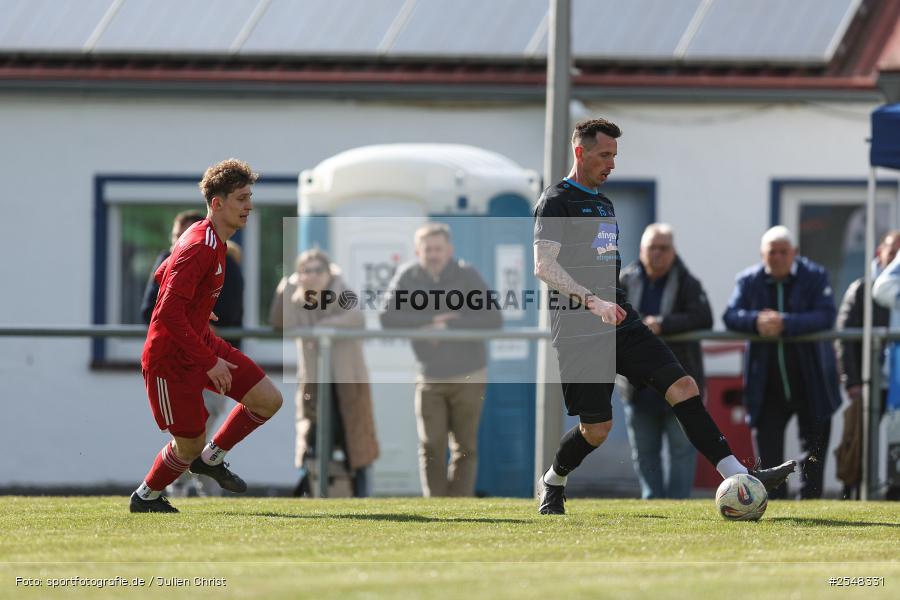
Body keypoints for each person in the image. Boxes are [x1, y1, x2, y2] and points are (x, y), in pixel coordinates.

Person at [534, 118, 795, 515]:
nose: (612, 164)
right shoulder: (555, 201)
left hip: (622, 320)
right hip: (579, 330)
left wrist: (611, 303)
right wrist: (592, 301)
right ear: (580, 152)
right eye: (605, 155)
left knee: (684, 385)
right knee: (597, 430)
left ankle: (741, 477)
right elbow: (543, 266)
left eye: (615, 156)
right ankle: (553, 481)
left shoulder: (605, 203)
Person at [130, 158, 283, 513]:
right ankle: (146, 496)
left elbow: (161, 276)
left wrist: (199, 305)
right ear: (218, 203)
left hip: (199, 341)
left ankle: (211, 460)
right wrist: (209, 360)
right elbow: (166, 312)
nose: (250, 206)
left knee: (268, 400)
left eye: (250, 197)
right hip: (170, 361)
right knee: (188, 445)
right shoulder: (201, 244)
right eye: (242, 198)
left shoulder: (211, 239)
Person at [380, 223, 502, 497]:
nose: (433, 254)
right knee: (431, 445)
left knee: (465, 446)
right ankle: (435, 505)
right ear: (418, 251)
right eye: (428, 249)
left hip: (469, 374)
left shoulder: (467, 275)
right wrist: (431, 321)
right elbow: (387, 318)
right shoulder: (408, 276)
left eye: (438, 249)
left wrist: (450, 327)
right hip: (429, 375)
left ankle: (460, 505)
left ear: (449, 250)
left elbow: (493, 318)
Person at [723, 226, 841, 499]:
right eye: (771, 252)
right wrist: (756, 321)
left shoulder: (815, 276)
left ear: (795, 253)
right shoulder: (748, 280)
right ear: (762, 254)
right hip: (766, 384)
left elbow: (825, 316)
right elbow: (731, 315)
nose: (777, 257)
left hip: (811, 380)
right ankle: (773, 505)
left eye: (782, 252)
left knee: (814, 453)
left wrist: (785, 323)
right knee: (769, 457)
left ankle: (810, 507)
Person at [139, 212, 246, 498]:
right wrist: (191, 316)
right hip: (178, 360)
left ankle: (207, 489)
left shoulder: (221, 255)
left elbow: (230, 313)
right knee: (189, 438)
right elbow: (154, 310)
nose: (179, 241)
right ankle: (165, 489)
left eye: (183, 235)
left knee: (203, 429)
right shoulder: (176, 256)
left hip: (212, 355)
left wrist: (198, 321)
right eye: (176, 236)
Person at [269, 248, 379, 498]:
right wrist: (287, 284)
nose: (313, 276)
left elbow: (356, 317)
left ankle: (362, 498)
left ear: (329, 273)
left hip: (347, 383)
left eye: (319, 270)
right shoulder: (296, 297)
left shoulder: (342, 291)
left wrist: (324, 327)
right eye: (306, 271)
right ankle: (315, 497)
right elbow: (277, 321)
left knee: (357, 445)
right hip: (315, 385)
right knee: (315, 443)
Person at [619, 223, 712, 499]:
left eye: (664, 248)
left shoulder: (687, 282)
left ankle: (679, 504)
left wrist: (663, 324)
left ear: (673, 251)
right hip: (639, 386)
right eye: (652, 248)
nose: (658, 253)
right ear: (642, 250)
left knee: (682, 450)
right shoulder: (625, 279)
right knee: (645, 452)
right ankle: (653, 504)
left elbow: (703, 317)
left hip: (679, 381)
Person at [835, 231, 900, 499]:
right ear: (879, 252)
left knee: (895, 444)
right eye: (893, 251)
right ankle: (851, 497)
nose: (897, 258)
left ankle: (893, 494)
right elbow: (844, 336)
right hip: (869, 380)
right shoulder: (863, 288)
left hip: (897, 382)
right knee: (860, 445)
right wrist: (852, 380)